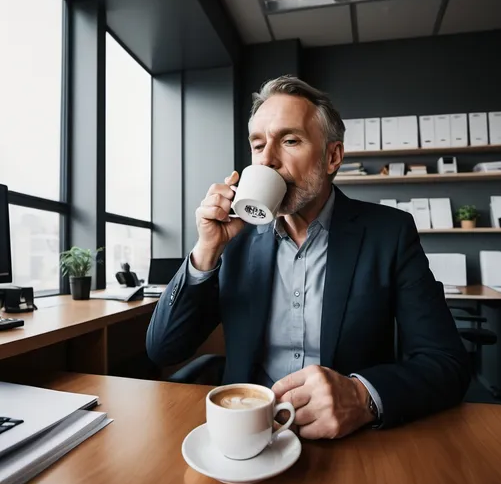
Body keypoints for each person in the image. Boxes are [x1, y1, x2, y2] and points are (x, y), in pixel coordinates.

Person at [146, 75, 470, 439]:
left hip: (349, 441)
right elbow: (164, 348)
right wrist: (205, 250)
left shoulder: (388, 233)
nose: (267, 159)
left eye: (290, 140)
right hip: (249, 434)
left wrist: (362, 397)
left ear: (332, 157)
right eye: (257, 145)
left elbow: (447, 363)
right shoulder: (233, 240)